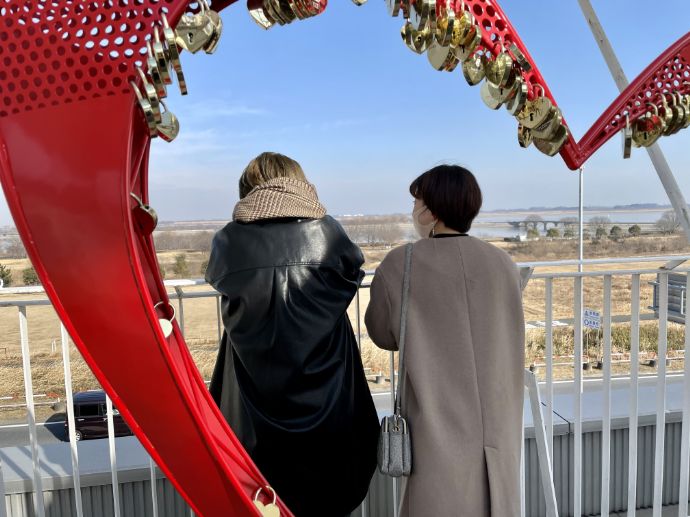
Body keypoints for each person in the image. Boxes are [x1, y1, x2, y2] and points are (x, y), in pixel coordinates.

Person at [206, 152, 379, 517]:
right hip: (332, 415)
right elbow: (352, 271)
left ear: (248, 190)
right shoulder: (328, 233)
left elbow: (218, 276)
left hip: (251, 424)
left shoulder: (228, 242)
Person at [364, 165, 524, 517]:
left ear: (430, 211)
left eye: (417, 202)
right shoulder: (503, 263)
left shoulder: (400, 264)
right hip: (499, 426)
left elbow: (382, 333)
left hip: (435, 427)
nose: (414, 210)